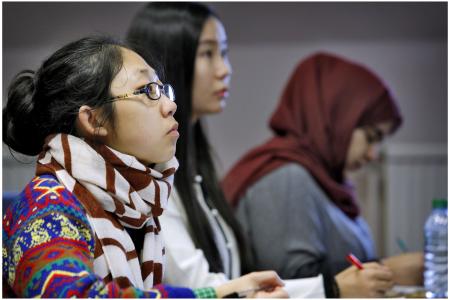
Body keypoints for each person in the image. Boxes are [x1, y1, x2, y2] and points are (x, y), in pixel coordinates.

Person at [127, 3, 396, 298]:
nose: (225, 70)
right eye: (208, 53)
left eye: (225, 53)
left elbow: (229, 277)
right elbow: (199, 286)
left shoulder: (197, 166)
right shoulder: (150, 172)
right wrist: (331, 288)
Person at [2, 35, 288, 298]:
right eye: (147, 90)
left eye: (163, 90)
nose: (169, 105)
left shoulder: (132, 206)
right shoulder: (46, 203)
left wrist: (228, 293)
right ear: (95, 120)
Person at [223, 52, 424, 290]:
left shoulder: (326, 179)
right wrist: (387, 270)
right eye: (371, 137)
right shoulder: (286, 177)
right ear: (336, 117)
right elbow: (292, 281)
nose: (372, 154)